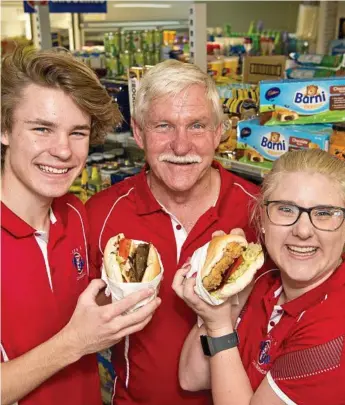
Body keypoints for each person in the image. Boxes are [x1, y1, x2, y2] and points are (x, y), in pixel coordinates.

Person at [86, 59, 260, 405]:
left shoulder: (259, 213)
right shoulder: (100, 214)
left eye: (196, 126)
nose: (181, 147)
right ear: (138, 133)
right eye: (163, 126)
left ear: (218, 132)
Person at [1, 46, 161, 405]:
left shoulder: (75, 213)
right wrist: (75, 342)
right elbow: (78, 337)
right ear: (4, 129)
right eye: (42, 128)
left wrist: (129, 291)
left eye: (77, 132)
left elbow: (80, 306)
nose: (63, 151)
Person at [173, 149, 345, 405]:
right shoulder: (265, 279)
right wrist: (217, 296)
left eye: (324, 213)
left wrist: (220, 328)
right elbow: (192, 376)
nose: (303, 230)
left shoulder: (335, 332)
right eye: (286, 209)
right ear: (262, 219)